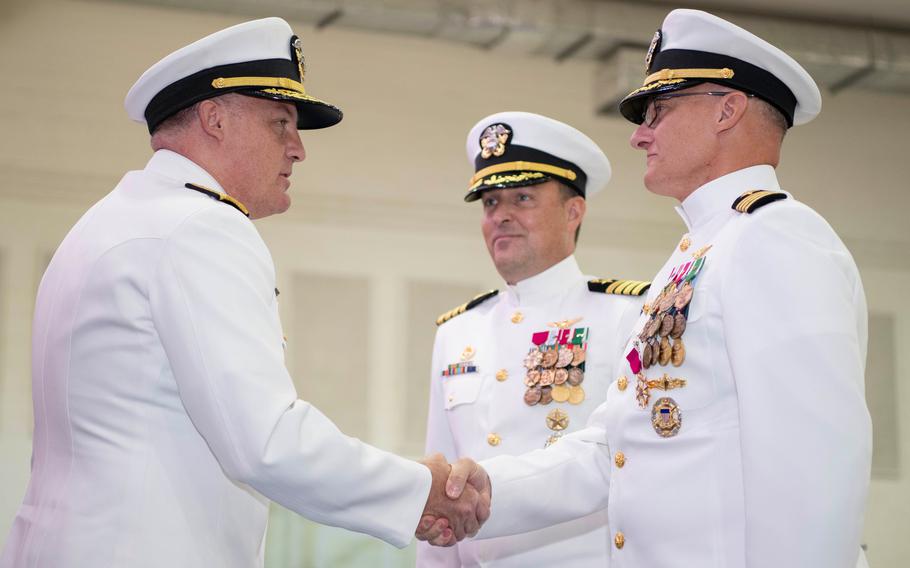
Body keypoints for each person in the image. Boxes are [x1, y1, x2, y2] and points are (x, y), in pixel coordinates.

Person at [0, 17, 486, 567]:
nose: (298, 149)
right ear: (214, 119)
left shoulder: (110, 221)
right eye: (281, 122)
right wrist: (416, 489)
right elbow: (265, 441)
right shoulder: (200, 228)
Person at [430, 9, 872, 567]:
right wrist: (485, 487)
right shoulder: (696, 257)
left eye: (657, 111)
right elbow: (616, 448)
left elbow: (813, 470)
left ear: (727, 110)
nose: (639, 136)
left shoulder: (775, 238)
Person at [417, 112, 648, 567]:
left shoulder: (627, 315)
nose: (501, 215)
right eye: (488, 203)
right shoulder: (457, 331)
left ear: (573, 211)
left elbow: (625, 462)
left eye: (521, 197)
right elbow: (441, 480)